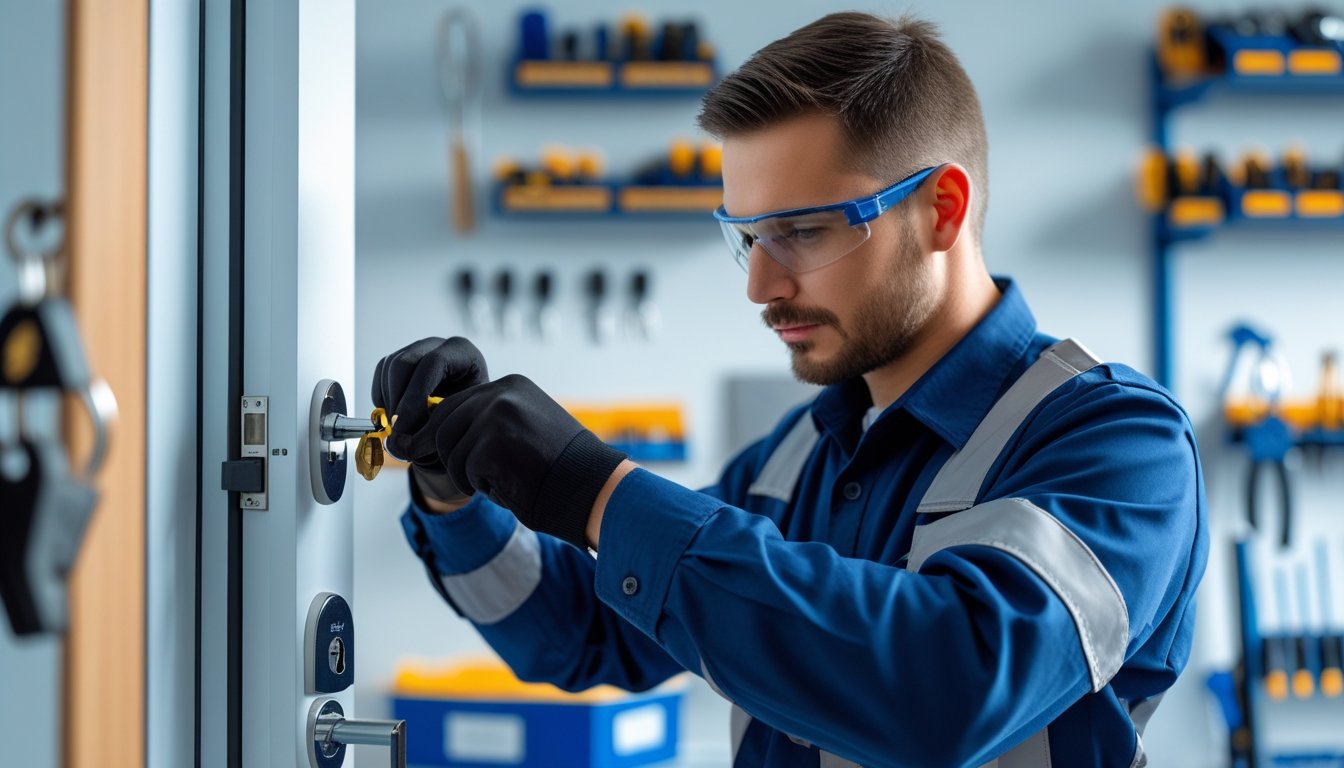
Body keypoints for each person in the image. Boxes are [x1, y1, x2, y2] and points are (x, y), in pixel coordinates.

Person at [374, 12, 1207, 767]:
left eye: (803, 231)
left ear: (942, 210)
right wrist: (457, 493)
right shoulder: (800, 454)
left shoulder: (1119, 443)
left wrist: (596, 489)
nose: (761, 285)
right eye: (747, 237)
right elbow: (586, 634)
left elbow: (951, 690)